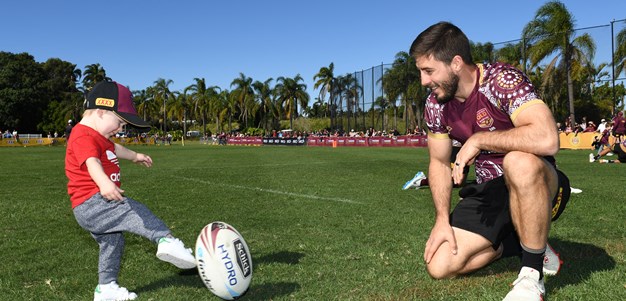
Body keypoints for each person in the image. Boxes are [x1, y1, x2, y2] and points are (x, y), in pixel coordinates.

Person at [409, 22, 571, 301]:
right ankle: (522, 242)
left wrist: (479, 140)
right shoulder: (435, 105)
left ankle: (531, 276)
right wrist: (441, 220)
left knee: (517, 163)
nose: (424, 81)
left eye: (429, 71)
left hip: (537, 181)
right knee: (440, 264)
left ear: (456, 63)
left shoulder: (501, 81)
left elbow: (547, 139)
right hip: (490, 192)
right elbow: (438, 163)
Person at [65, 81, 196, 301]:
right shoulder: (83, 135)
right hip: (94, 201)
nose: (119, 129)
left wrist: (135, 156)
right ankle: (165, 240)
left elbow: (116, 149)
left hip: (90, 207)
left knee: (113, 242)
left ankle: (105, 288)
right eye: (118, 122)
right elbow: (91, 162)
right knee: (133, 210)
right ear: (100, 110)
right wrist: (105, 183)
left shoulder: (100, 137)